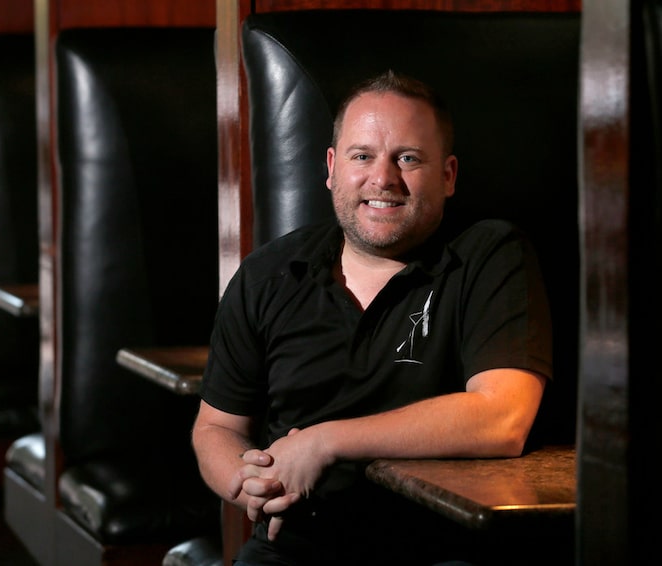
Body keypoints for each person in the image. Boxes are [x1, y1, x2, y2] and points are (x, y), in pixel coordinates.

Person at [191, 69, 552, 565]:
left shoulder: (489, 256)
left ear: (447, 176)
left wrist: (325, 443)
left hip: (441, 549)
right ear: (333, 167)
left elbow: (502, 417)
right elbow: (215, 427)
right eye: (363, 156)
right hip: (296, 547)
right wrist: (252, 481)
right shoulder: (268, 275)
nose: (383, 179)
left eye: (408, 158)